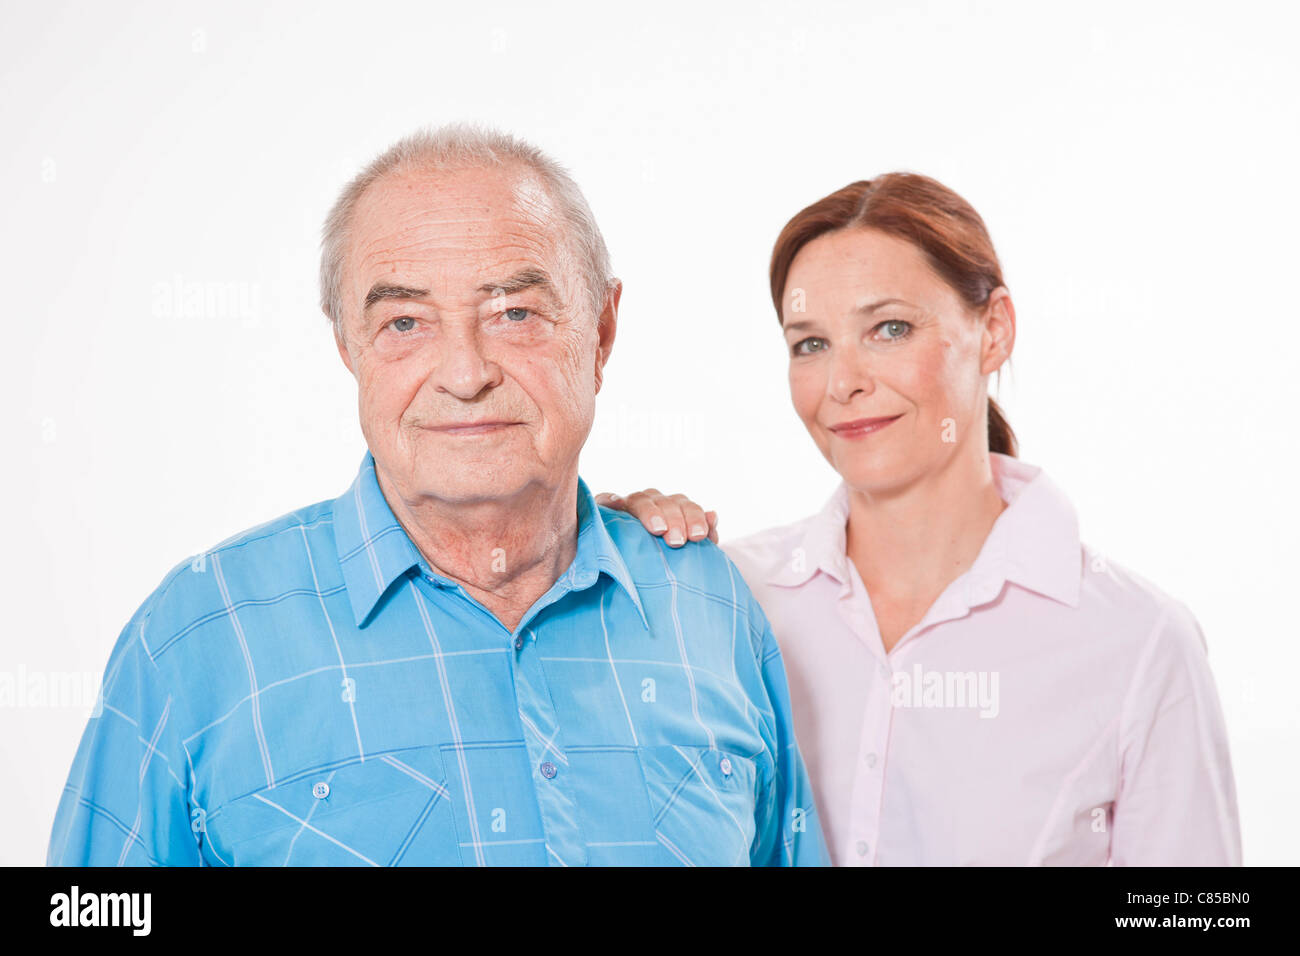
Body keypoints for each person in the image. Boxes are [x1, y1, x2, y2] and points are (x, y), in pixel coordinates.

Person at [46, 124, 828, 867]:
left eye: (514, 313)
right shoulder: (195, 638)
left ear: (602, 330)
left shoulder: (709, 607)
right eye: (405, 322)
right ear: (348, 345)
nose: (464, 372)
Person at [600, 173, 1242, 866]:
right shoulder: (729, 598)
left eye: (890, 329)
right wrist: (602, 556)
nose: (843, 382)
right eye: (810, 343)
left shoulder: (1137, 641)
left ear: (994, 331)